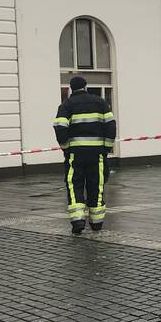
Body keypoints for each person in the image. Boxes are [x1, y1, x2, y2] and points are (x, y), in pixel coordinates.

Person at [53, 77, 117, 235]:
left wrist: (66, 148)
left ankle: (78, 221)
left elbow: (60, 128)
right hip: (97, 154)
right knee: (97, 185)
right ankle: (96, 223)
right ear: (85, 87)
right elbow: (111, 126)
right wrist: (107, 148)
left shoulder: (66, 105)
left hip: (75, 154)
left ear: (71, 89)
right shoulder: (101, 103)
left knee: (74, 185)